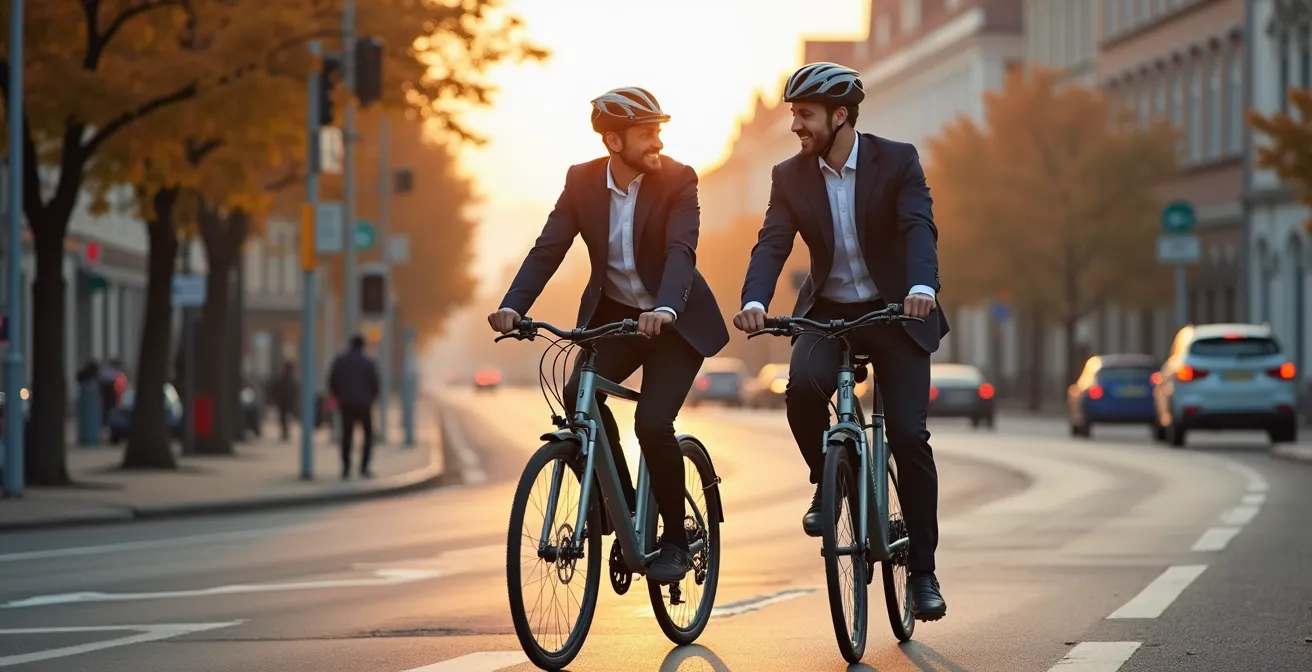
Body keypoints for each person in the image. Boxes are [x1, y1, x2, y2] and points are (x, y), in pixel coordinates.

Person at [732, 62, 950, 621]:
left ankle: (923, 573)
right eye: (793, 115)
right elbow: (772, 242)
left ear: (841, 115)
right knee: (802, 389)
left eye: (804, 115)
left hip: (898, 310)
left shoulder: (897, 159)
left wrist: (923, 284)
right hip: (829, 311)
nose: (795, 126)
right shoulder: (790, 175)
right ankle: (827, 481)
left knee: (907, 435)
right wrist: (755, 299)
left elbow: (918, 227)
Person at [489, 86, 729, 584]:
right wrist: (513, 306)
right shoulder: (581, 183)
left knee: (652, 423)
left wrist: (665, 307)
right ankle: (617, 507)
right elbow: (547, 249)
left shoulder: (679, 180)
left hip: (675, 324)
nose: (657, 142)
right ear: (614, 142)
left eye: (659, 131)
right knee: (579, 393)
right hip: (617, 319)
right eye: (646, 134)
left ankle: (676, 541)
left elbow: (682, 250)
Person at [328, 335, 380, 479]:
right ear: (363, 346)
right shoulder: (369, 363)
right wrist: (370, 398)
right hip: (364, 404)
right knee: (368, 436)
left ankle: (346, 468)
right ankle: (364, 467)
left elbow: (332, 382)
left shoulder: (340, 361)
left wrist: (339, 397)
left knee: (346, 435)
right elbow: (376, 385)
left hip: (346, 404)